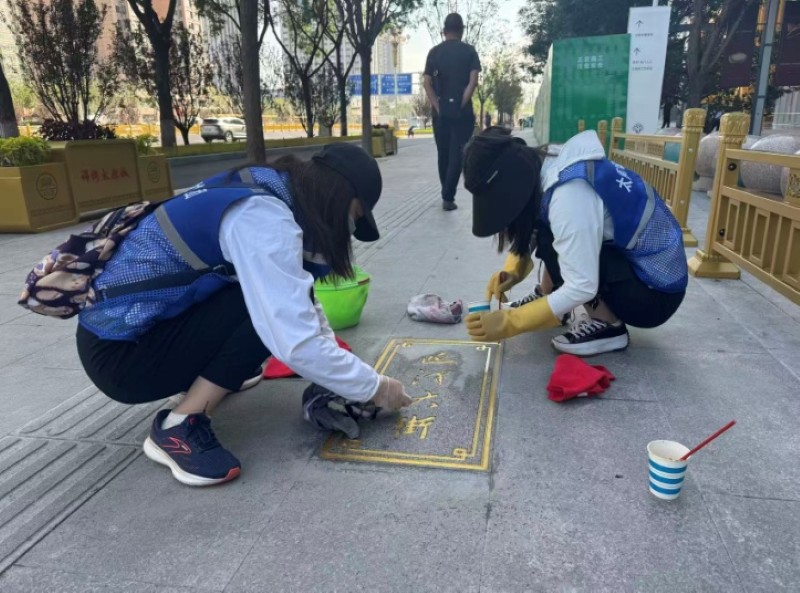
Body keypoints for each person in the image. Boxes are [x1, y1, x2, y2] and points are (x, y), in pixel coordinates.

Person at [75, 143, 413, 486]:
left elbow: (300, 301)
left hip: (141, 331)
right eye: (354, 216)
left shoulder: (268, 188)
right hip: (123, 359)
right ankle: (179, 426)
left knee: (264, 301)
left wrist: (339, 373)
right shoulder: (263, 219)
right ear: (337, 197)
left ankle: (211, 379)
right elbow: (295, 341)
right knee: (262, 312)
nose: (349, 230)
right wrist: (375, 387)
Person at [462, 127, 687, 356]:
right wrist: (513, 270)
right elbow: (538, 221)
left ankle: (608, 326)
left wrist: (511, 322)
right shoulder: (550, 162)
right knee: (551, 232)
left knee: (559, 242)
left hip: (652, 296)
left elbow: (582, 285)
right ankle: (549, 297)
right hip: (640, 272)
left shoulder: (569, 195)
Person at [423, 12, 481, 211]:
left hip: (439, 114)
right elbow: (473, 81)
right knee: (457, 153)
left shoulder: (434, 52)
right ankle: (448, 196)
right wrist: (461, 104)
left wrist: (439, 107)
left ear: (444, 31)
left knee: (443, 153)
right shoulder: (470, 52)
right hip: (462, 114)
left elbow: (427, 83)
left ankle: (446, 193)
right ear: (462, 30)